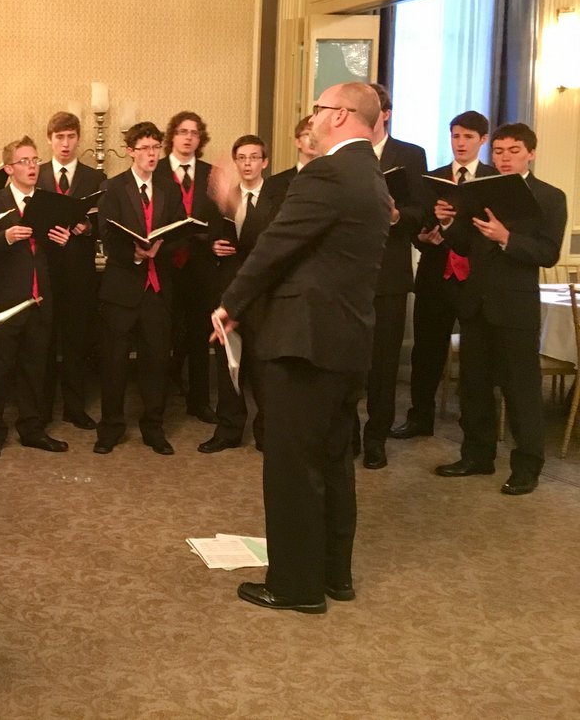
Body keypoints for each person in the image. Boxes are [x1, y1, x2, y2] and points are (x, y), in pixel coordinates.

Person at [212, 82, 390, 613]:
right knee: (332, 459)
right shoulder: (370, 173)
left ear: (339, 115)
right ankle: (334, 574)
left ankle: (295, 586)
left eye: (317, 109)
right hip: (346, 339)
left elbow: (276, 245)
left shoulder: (327, 172)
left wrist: (231, 303)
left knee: (291, 465)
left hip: (302, 342)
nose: (310, 118)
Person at [434, 123, 568, 496]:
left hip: (515, 306)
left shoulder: (549, 196)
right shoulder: (480, 192)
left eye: (513, 151)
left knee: (521, 390)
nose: (505, 158)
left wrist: (507, 238)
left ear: (531, 154)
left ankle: (527, 467)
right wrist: (447, 222)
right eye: (499, 151)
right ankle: (477, 456)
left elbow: (547, 253)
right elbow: (464, 245)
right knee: (474, 388)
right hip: (476, 302)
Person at [392, 110, 496, 439]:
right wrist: (422, 237)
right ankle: (420, 417)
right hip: (436, 274)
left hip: (475, 279)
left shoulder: (494, 180)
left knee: (477, 356)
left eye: (468, 137)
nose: (460, 143)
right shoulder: (432, 178)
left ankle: (473, 424)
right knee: (426, 351)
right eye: (455, 136)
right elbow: (416, 222)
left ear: (482, 140)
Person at [0, 136, 72, 459]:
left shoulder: (48, 201)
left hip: (40, 298)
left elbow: (49, 254)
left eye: (35, 160)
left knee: (35, 368)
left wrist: (62, 241)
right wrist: (6, 237)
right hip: (5, 301)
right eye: (24, 161)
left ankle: (32, 429)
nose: (32, 167)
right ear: (9, 168)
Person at [93, 122, 181, 455]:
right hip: (121, 289)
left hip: (157, 289)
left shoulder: (169, 188)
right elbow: (106, 232)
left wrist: (161, 248)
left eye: (156, 147)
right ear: (130, 151)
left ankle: (153, 427)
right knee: (113, 363)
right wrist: (133, 253)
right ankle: (111, 428)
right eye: (145, 148)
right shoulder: (113, 187)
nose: (152, 154)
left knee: (156, 362)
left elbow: (179, 233)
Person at [353, 83, 428, 468]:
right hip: (347, 275)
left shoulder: (411, 155)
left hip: (390, 275)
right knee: (347, 360)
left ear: (385, 114)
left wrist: (398, 216)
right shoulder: (346, 152)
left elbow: (422, 211)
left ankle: (376, 438)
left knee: (383, 363)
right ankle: (347, 434)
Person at [201, 134, 273, 454]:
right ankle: (228, 429)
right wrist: (213, 247)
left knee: (262, 365)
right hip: (228, 291)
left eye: (254, 157)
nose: (247, 164)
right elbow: (208, 237)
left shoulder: (277, 199)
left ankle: (266, 432)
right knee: (227, 363)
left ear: (264, 162)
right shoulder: (222, 198)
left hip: (263, 295)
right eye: (241, 158)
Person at [36, 111, 106, 430]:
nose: (65, 143)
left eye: (71, 137)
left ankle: (74, 408)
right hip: (45, 272)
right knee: (44, 343)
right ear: (49, 140)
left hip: (80, 273)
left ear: (79, 139)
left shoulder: (95, 177)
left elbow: (105, 223)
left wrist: (87, 227)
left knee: (77, 343)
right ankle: (42, 409)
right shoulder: (36, 174)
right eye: (59, 137)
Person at [155, 110, 219, 424]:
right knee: (161, 334)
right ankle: (158, 402)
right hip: (164, 265)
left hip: (200, 265)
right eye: (182, 131)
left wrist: (214, 239)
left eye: (194, 132)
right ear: (172, 136)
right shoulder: (156, 170)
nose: (188, 137)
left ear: (200, 139)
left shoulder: (212, 174)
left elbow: (221, 216)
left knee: (199, 335)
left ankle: (199, 401)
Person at [260, 114, 317, 204]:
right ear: (298, 142)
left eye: (316, 134)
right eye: (307, 134)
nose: (312, 139)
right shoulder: (274, 183)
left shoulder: (333, 180)